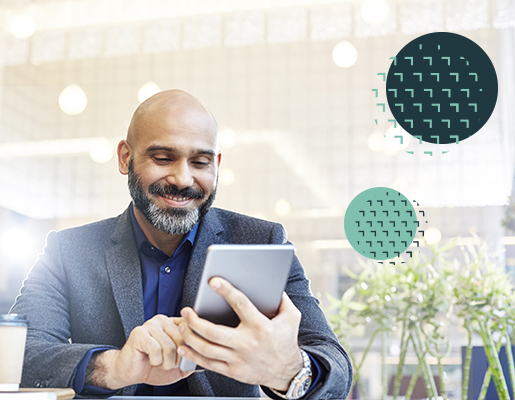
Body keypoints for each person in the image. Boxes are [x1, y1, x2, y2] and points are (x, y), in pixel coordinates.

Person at [10, 90, 352, 399]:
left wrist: (288, 370)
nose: (183, 179)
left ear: (216, 165)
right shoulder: (67, 251)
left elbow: (334, 367)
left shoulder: (262, 240)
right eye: (162, 158)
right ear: (125, 158)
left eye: (200, 162)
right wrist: (112, 367)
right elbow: (17, 356)